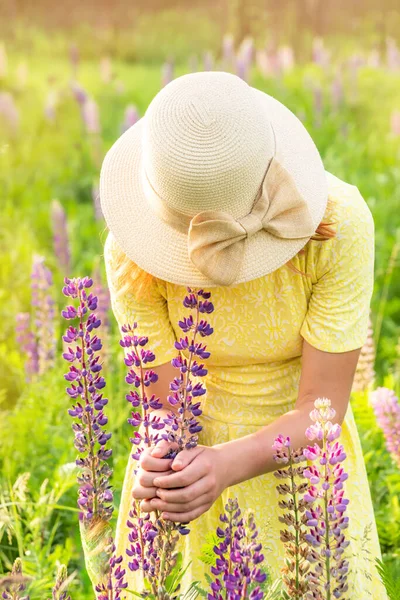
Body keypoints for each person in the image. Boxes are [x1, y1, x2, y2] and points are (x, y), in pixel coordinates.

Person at [99, 71, 387, 597]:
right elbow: (163, 399)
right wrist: (159, 458)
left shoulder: (337, 224)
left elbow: (322, 406)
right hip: (190, 473)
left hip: (302, 470)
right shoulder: (130, 254)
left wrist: (228, 464)